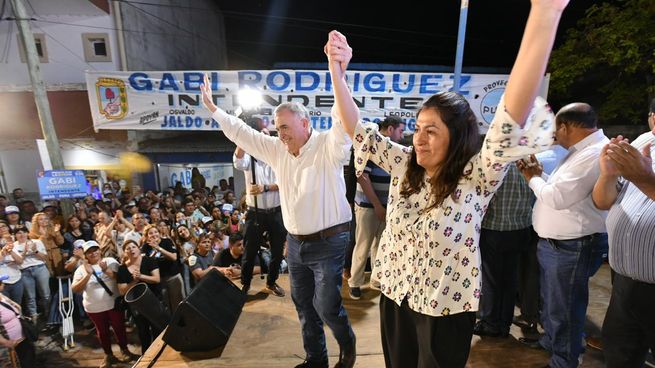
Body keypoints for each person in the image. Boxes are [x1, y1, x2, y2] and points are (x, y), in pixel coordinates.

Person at [325, 0, 568, 364]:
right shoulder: (406, 164)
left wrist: (545, 13)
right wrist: (337, 71)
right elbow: (356, 128)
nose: (419, 139)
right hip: (396, 294)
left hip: (445, 307)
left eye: (432, 131)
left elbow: (512, 108)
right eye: (418, 129)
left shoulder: (478, 174)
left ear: (456, 136)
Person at [201, 75, 356, 368]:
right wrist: (213, 109)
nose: (279, 133)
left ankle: (347, 344)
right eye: (277, 127)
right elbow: (242, 133)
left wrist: (337, 73)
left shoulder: (329, 145)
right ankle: (316, 360)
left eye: (284, 126)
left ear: (305, 123)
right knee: (303, 305)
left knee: (326, 306)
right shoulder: (276, 150)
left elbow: (344, 118)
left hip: (330, 241)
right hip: (296, 244)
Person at [517, 103, 609, 367]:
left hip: (572, 246)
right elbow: (559, 188)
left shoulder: (592, 154)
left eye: (555, 129)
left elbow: (556, 197)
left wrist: (531, 176)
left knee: (565, 309)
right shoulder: (578, 152)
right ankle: (553, 344)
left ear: (566, 127)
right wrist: (539, 174)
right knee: (555, 304)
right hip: (559, 245)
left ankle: (564, 360)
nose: (553, 136)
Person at [592, 99, 655, 368]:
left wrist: (643, 178)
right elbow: (604, 202)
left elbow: (643, 182)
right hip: (624, 284)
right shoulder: (643, 142)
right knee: (619, 358)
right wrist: (607, 175)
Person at [473, 163, 534, 338]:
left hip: (495, 229)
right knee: (510, 280)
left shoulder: (494, 167)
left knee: (491, 279)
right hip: (521, 229)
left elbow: (483, 200)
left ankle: (491, 323)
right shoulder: (528, 165)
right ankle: (504, 324)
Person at [348, 116, 405, 300]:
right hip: (368, 206)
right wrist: (377, 205)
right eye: (400, 130)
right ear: (390, 129)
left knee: (380, 245)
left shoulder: (393, 151)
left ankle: (375, 278)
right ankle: (354, 283)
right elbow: (362, 178)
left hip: (385, 206)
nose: (402, 135)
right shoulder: (372, 146)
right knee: (363, 245)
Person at [234, 120, 287, 296]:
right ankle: (245, 284)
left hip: (276, 211)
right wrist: (244, 137)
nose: (266, 137)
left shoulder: (279, 156)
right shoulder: (250, 157)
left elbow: (285, 182)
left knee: (278, 252)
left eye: (267, 134)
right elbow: (237, 161)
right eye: (261, 134)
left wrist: (266, 187)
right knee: (249, 252)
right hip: (254, 213)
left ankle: (271, 283)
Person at [71, 241, 138, 367]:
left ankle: (124, 350)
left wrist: (106, 270)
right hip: (94, 307)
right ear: (85, 255)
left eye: (95, 250)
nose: (93, 253)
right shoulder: (81, 268)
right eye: (89, 252)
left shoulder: (111, 261)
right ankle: (108, 355)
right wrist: (88, 274)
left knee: (119, 328)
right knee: (102, 331)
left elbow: (122, 278)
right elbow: (74, 289)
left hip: (113, 303)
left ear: (100, 250)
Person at [117, 240, 162, 354]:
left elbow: (156, 279)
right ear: (124, 252)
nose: (131, 249)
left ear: (139, 248)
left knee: (157, 328)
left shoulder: (149, 261)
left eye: (133, 247)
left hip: (153, 300)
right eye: (128, 248)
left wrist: (141, 276)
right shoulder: (122, 269)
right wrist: (134, 281)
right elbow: (122, 291)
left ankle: (159, 354)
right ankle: (146, 356)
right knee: (143, 331)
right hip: (136, 305)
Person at [140, 225, 184, 312]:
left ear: (159, 233)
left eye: (156, 232)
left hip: (173, 277)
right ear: (147, 236)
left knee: (179, 303)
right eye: (150, 233)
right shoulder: (145, 247)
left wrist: (159, 248)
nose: (154, 235)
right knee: (166, 305)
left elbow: (174, 257)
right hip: (159, 280)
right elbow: (146, 262)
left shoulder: (167, 241)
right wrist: (153, 252)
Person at [13, 227, 49, 323]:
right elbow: (17, 262)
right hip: (24, 271)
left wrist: (35, 251)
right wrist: (24, 252)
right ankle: (34, 317)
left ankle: (49, 314)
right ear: (15, 235)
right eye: (19, 233)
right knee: (30, 296)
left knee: (45, 294)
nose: (22, 235)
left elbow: (45, 257)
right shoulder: (13, 246)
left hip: (39, 268)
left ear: (28, 233)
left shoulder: (36, 242)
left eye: (24, 232)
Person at [0, 276, 35, 368]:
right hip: (10, 346)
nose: (3, 284)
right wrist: (5, 342)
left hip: (22, 339)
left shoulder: (2, 296)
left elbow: (17, 307)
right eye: (1, 282)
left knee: (29, 361)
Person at [0, 232, 24, 304]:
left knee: (17, 304)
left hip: (17, 280)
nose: (7, 242)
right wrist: (3, 253)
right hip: (3, 283)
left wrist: (11, 252)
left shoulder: (14, 249)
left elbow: (20, 261)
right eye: (5, 240)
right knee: (6, 305)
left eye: (9, 240)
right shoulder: (2, 251)